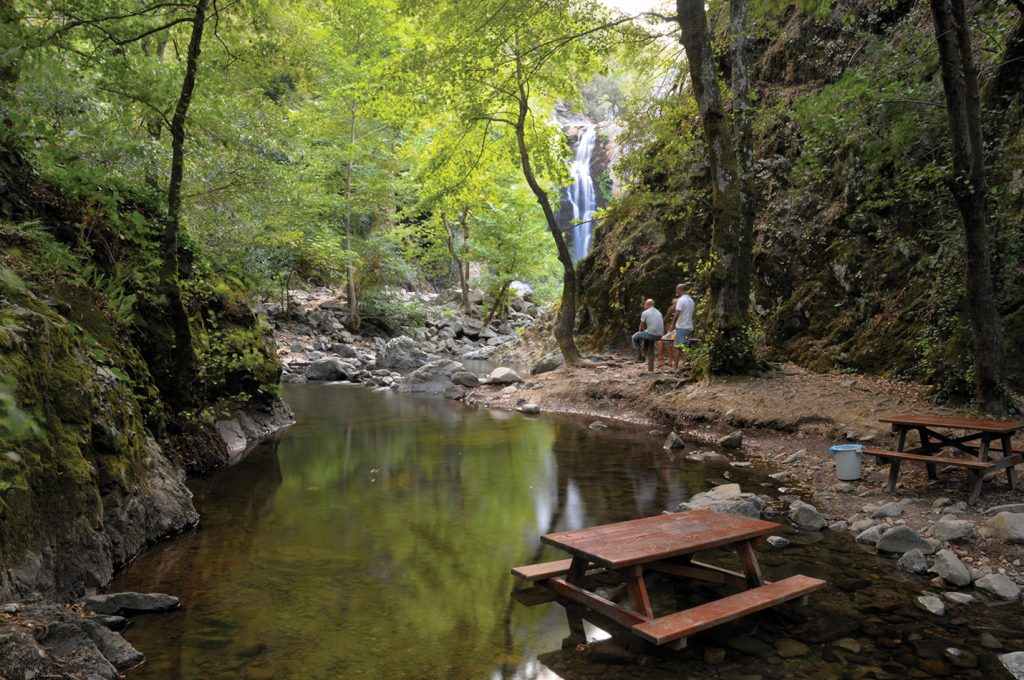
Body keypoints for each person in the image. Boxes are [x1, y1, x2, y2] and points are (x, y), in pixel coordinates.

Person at [667, 283, 695, 348]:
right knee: (685, 348)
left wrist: (672, 325)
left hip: (682, 327)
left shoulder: (681, 300)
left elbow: (677, 314)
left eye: (676, 290)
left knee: (678, 347)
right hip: (689, 327)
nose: (676, 291)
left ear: (680, 289)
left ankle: (680, 358)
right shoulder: (691, 300)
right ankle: (685, 357)